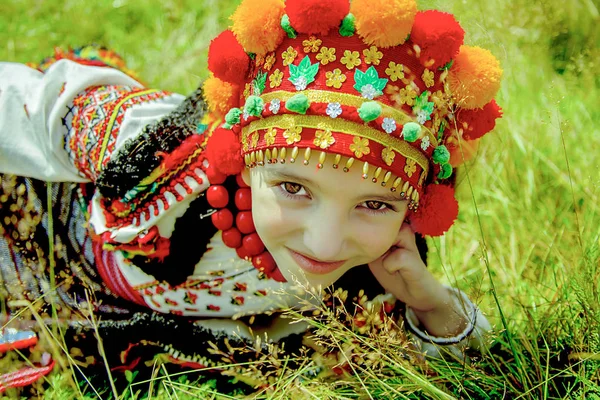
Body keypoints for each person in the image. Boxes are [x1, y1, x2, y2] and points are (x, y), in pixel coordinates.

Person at [0, 0, 503, 394]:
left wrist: (429, 301)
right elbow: (26, 106)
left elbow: (474, 371)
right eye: (293, 188)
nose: (326, 245)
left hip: (87, 317)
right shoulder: (151, 149)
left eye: (374, 204)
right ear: (244, 157)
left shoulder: (373, 278)